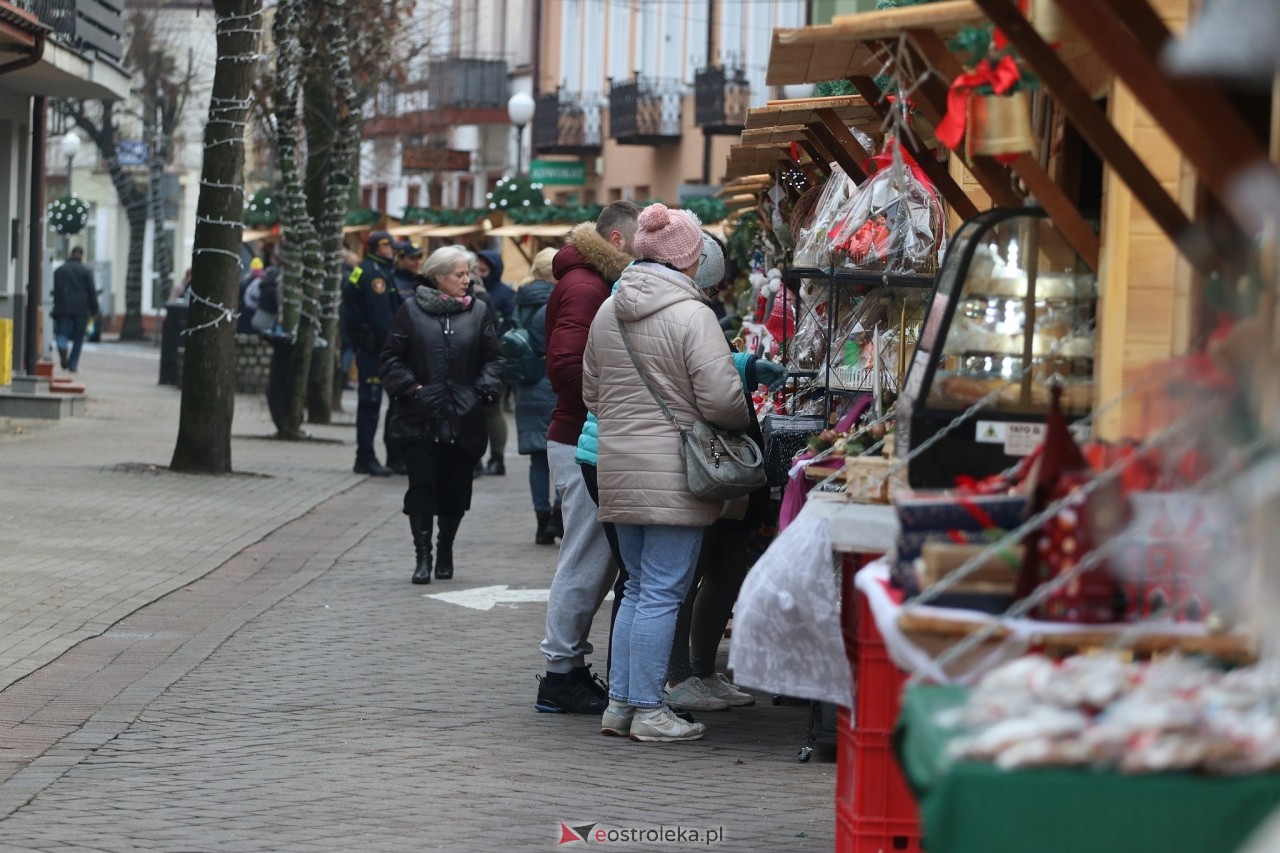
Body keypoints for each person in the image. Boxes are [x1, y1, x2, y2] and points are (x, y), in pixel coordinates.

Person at [582, 204, 751, 743]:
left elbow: (591, 394)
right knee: (661, 593)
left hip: (618, 464)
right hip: (674, 471)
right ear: (687, 255)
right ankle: (651, 711)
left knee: (635, 590)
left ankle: (621, 705)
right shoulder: (692, 313)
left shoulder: (609, 310)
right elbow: (723, 402)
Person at [662, 232, 785, 714]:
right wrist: (740, 418)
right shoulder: (684, 312)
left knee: (724, 562)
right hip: (691, 455)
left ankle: (701, 671)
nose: (713, 294)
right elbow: (709, 390)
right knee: (682, 574)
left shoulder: (690, 311)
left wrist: (744, 365)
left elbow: (705, 365)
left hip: (700, 453)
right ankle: (676, 678)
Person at [534, 200, 639, 716]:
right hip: (579, 435)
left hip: (581, 432)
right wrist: (613, 401)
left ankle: (568, 668)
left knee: (589, 558)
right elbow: (565, 365)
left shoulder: (588, 281)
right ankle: (559, 673)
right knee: (584, 556)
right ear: (617, 241)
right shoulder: (585, 286)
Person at [380, 246, 504, 584]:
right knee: (421, 489)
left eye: (469, 274)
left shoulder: (478, 311)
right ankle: (422, 556)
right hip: (420, 418)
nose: (468, 280)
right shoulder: (410, 310)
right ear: (438, 277)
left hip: (464, 418)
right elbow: (391, 357)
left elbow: (493, 358)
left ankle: (445, 546)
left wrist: (482, 388)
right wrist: (411, 388)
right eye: (460, 275)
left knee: (455, 493)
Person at [341, 230, 403, 477]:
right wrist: (394, 347)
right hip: (374, 350)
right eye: (391, 247)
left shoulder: (370, 269)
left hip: (371, 348)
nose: (394, 251)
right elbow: (381, 318)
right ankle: (365, 457)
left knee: (377, 401)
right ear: (380, 248)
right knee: (370, 402)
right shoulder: (374, 275)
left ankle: (376, 456)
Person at [511, 248, 562, 545]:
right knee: (559, 456)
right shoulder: (552, 303)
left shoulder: (522, 301)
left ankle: (541, 520)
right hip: (549, 384)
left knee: (538, 460)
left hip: (527, 385)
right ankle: (557, 515)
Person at [473, 250, 515, 476]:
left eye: (484, 269)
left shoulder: (504, 294)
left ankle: (497, 458)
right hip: (474, 357)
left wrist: (494, 340)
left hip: (494, 357)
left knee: (493, 409)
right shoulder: (470, 289)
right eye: (477, 269)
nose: (480, 273)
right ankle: (475, 458)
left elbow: (510, 322)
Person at [385, 240, 425, 475]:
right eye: (412, 258)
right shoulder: (393, 282)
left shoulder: (418, 283)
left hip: (417, 354)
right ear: (400, 259)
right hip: (401, 353)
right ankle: (394, 455)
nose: (417, 262)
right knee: (396, 407)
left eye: (420, 258)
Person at [51, 246, 99, 372]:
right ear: (82, 255)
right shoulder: (86, 271)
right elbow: (91, 292)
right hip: (81, 310)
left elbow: (54, 290)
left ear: (70, 254)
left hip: (63, 308)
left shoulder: (59, 270)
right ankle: (72, 364)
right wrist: (94, 310)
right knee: (79, 337)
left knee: (62, 333)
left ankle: (62, 349)